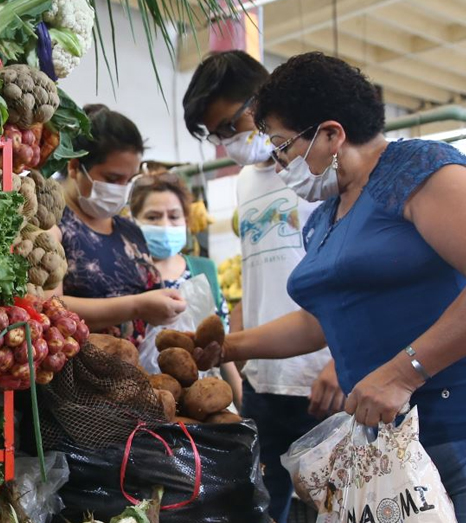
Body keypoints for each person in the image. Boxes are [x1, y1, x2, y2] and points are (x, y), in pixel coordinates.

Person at [195, 52, 466, 522]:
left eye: (282, 145)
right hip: (406, 442)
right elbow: (322, 322)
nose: (280, 161)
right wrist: (227, 348)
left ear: (331, 134)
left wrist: (401, 374)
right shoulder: (327, 218)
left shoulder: (419, 170)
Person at [183, 50, 340, 523]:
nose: (228, 141)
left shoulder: (323, 171)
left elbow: (358, 277)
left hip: (325, 378)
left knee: (342, 507)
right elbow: (261, 276)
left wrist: (343, 361)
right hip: (264, 381)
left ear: (263, 98)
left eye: (230, 125)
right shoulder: (246, 183)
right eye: (216, 135)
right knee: (261, 509)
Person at [48, 105, 186, 346]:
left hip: (137, 364)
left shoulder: (130, 231)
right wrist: (135, 307)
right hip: (79, 366)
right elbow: (50, 307)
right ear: (74, 167)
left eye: (129, 180)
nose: (122, 189)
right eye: (112, 179)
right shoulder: (52, 226)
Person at [128, 171, 242, 407]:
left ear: (186, 221)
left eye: (174, 216)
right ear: (134, 221)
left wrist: (241, 402)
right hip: (141, 399)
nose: (165, 225)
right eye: (153, 217)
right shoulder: (125, 274)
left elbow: (220, 345)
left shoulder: (204, 270)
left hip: (203, 396)